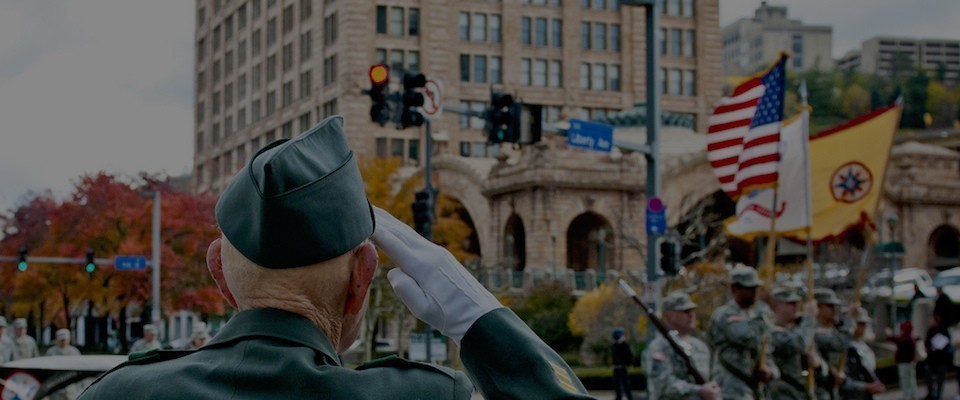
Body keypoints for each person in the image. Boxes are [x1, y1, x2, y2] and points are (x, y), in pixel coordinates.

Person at [78, 116, 592, 399]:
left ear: (221, 273)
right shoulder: (425, 399)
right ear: (362, 277)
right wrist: (483, 323)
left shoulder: (116, 396)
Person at [708, 266, 777, 400]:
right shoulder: (725, 315)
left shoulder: (756, 316)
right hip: (730, 390)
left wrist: (770, 371)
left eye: (755, 288)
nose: (754, 293)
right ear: (735, 289)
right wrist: (762, 310)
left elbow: (767, 349)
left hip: (754, 390)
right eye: (749, 289)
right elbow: (749, 338)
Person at [644, 291, 721, 400]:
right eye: (685, 311)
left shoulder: (700, 346)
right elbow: (663, 386)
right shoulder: (659, 347)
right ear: (670, 315)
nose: (691, 315)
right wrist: (699, 391)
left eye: (692, 311)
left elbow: (714, 378)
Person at [768, 285, 820, 400]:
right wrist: (809, 318)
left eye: (797, 303)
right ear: (776, 306)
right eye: (790, 303)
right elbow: (800, 344)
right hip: (780, 392)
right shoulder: (770, 330)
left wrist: (817, 363)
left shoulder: (798, 330)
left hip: (800, 391)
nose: (796, 307)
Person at [839, 307, 885, 400]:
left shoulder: (863, 346)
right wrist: (865, 386)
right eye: (860, 324)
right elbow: (843, 379)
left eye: (864, 324)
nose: (863, 327)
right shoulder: (845, 347)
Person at [812, 288, 849, 400]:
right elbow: (840, 344)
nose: (834, 310)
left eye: (835, 306)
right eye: (830, 306)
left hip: (836, 387)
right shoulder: (813, 331)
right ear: (817, 307)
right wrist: (850, 320)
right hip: (819, 387)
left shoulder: (834, 329)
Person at [887, 321, 919, 400]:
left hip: (905, 363)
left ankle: (908, 395)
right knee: (911, 379)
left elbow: (897, 340)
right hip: (910, 362)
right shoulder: (910, 338)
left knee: (905, 379)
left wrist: (890, 335)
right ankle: (912, 394)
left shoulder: (906, 339)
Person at [924, 314, 953, 400]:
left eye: (932, 320)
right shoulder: (930, 330)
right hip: (931, 359)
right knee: (928, 377)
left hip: (941, 358)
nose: (931, 321)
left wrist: (939, 346)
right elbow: (927, 342)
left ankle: (938, 394)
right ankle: (930, 393)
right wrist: (928, 348)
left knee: (940, 378)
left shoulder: (943, 330)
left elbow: (947, 341)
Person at [610, 327, 634, 400]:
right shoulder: (614, 345)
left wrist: (627, 364)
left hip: (622, 368)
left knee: (626, 385)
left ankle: (629, 397)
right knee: (617, 385)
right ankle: (618, 397)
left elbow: (629, 356)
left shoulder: (624, 345)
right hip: (616, 368)